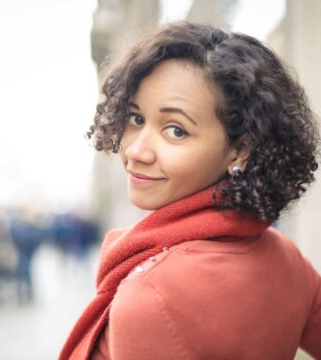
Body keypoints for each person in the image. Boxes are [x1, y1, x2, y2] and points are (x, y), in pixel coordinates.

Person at [60, 22, 321, 359]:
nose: (138, 150)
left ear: (239, 150)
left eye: (176, 131)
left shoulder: (151, 292)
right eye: (136, 118)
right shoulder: (287, 258)